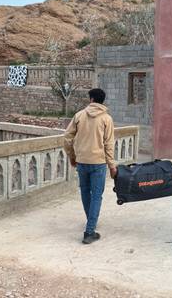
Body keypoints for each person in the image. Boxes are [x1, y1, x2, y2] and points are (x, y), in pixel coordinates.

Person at [64, 88, 117, 245]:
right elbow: (109, 144)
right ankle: (89, 231)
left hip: (82, 161)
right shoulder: (107, 119)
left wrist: (72, 156)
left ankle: (90, 222)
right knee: (96, 196)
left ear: (91, 99)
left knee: (85, 192)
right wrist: (112, 165)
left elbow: (67, 137)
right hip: (98, 163)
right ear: (103, 101)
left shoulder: (79, 116)